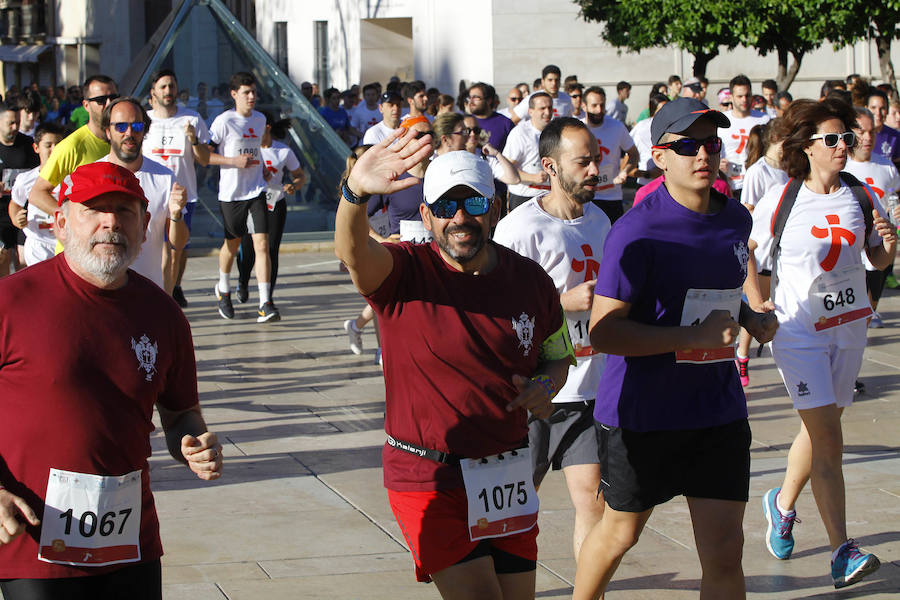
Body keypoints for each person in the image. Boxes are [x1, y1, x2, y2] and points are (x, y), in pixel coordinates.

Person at [335, 132, 575, 597]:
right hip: (428, 474)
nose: (460, 218)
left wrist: (545, 386)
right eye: (446, 206)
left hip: (505, 474)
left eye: (473, 203)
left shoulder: (532, 280)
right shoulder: (403, 271)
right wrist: (355, 193)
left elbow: (558, 357)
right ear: (426, 215)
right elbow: (353, 254)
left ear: (495, 208)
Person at [572, 98, 778, 599]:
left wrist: (752, 318)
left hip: (717, 410)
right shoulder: (636, 231)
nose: (703, 154)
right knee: (620, 534)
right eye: (687, 145)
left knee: (725, 550)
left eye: (711, 143)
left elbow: (719, 296)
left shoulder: (735, 219)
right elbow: (604, 333)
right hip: (643, 415)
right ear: (660, 156)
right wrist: (691, 337)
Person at [0, 161, 223, 600]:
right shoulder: (10, 301)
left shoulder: (163, 314)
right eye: (94, 210)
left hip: (127, 541)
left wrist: (195, 445)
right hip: (32, 541)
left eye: (124, 211)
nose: (111, 222)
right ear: (61, 223)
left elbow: (181, 413)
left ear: (144, 225)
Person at [751, 98, 893, 589]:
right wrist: (758, 304)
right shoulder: (782, 199)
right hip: (797, 334)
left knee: (820, 430)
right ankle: (842, 552)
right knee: (829, 439)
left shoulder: (860, 194)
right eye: (831, 139)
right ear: (806, 147)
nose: (842, 146)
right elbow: (746, 252)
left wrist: (889, 246)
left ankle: (781, 503)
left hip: (848, 329)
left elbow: (876, 258)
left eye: (846, 138)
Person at [494, 117, 609, 562]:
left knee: (594, 503)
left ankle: (589, 591)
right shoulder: (519, 229)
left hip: (589, 387)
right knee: (516, 505)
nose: (595, 170)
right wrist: (563, 303)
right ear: (550, 166)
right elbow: (498, 313)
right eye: (583, 162)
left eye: (596, 159)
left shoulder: (601, 220)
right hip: (535, 391)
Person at [207, 72, 278, 323]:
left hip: (256, 190)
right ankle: (223, 289)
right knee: (232, 244)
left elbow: (258, 148)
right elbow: (205, 156)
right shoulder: (223, 121)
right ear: (234, 94)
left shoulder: (260, 119)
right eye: (246, 92)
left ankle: (265, 303)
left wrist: (263, 168)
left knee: (262, 244)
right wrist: (233, 161)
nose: (251, 96)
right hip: (231, 194)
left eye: (254, 92)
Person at [99, 98, 188, 291]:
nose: (129, 133)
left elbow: (179, 243)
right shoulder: (91, 176)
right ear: (107, 131)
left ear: (145, 131)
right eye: (121, 126)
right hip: (101, 291)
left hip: (146, 292)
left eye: (137, 126)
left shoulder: (165, 178)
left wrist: (176, 215)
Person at [145, 69, 211, 303]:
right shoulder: (144, 121)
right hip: (152, 196)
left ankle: (172, 291)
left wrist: (194, 139)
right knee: (159, 250)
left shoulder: (191, 119)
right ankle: (164, 296)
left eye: (171, 86)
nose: (168, 91)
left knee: (177, 250)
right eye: (163, 87)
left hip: (183, 196)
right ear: (153, 92)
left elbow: (205, 159)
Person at [735, 121, 789, 386]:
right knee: (757, 307)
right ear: (774, 139)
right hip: (762, 251)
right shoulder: (758, 171)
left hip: (784, 250)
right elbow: (747, 209)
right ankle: (742, 355)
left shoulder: (791, 170)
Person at [236, 113, 306, 306]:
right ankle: (242, 282)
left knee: (271, 250)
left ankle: (267, 296)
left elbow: (300, 175)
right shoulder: (248, 149)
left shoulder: (283, 151)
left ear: (267, 127)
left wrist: (293, 186)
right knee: (248, 247)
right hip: (251, 202)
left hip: (275, 203)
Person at [843, 107, 900, 329]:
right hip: (850, 245)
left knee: (871, 299)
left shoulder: (886, 165)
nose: (868, 137)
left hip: (878, 244)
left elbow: (895, 195)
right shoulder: (841, 165)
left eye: (872, 132)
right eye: (861, 131)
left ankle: (869, 317)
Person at [28, 75, 117, 217]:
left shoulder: (125, 139)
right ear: (86, 105)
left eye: (113, 98)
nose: (109, 104)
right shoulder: (72, 146)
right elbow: (37, 193)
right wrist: (70, 220)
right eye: (101, 100)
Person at [8, 122, 66, 266]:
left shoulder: (72, 178)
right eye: (48, 145)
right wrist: (16, 218)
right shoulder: (26, 179)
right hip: (38, 244)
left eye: (58, 145)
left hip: (65, 243)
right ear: (36, 148)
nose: (54, 150)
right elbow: (15, 204)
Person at [581, 86, 639, 224]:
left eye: (602, 105)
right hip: (585, 196)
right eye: (594, 105)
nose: (599, 110)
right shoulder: (577, 128)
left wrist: (624, 172)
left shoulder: (617, 127)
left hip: (611, 197)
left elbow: (634, 155)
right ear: (584, 106)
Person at [0, 101, 39, 276]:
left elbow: (40, 173)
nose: (15, 127)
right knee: (3, 258)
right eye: (10, 123)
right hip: (1, 214)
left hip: (24, 212)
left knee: (23, 263)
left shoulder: (28, 144)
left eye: (17, 122)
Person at [721, 74, 771, 199]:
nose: (744, 100)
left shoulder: (764, 120)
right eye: (739, 96)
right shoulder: (721, 121)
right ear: (731, 97)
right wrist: (718, 165)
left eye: (747, 95)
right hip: (729, 184)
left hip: (756, 184)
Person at [503, 92, 553, 212]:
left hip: (550, 195)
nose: (547, 112)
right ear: (530, 111)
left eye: (550, 108)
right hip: (525, 196)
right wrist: (533, 177)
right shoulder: (520, 133)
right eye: (542, 108)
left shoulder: (555, 131)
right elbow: (506, 168)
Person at [468, 82, 514, 152]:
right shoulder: (464, 122)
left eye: (476, 98)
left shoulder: (506, 124)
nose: (471, 101)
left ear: (489, 101)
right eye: (469, 97)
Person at [866, 89, 900, 170]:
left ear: (887, 110)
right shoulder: (856, 135)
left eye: (882, 108)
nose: (878, 113)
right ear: (866, 108)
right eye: (873, 108)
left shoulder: (895, 136)